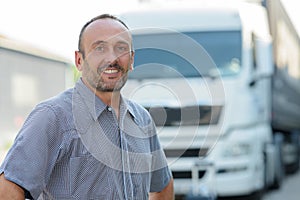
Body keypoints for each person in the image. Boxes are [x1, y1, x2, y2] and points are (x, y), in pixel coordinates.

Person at [0, 14, 174, 199]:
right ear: (79, 60)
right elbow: (8, 189)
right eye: (99, 48)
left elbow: (163, 186)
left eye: (121, 48)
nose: (112, 58)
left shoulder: (142, 119)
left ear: (131, 59)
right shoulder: (52, 117)